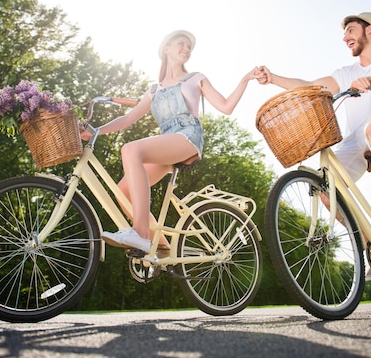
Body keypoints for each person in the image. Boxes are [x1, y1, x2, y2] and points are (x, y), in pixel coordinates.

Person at [256, 12, 371, 279]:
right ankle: (370, 245)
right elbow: (309, 86)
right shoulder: (346, 72)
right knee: (325, 187)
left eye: (351, 30)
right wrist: (274, 79)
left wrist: (370, 82)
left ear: (369, 30)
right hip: (354, 140)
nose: (345, 37)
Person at [81, 30, 258, 253]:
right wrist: (96, 131)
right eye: (181, 44)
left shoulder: (196, 78)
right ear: (167, 49)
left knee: (130, 150)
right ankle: (162, 248)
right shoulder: (154, 90)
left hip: (187, 136)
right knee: (123, 192)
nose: (186, 49)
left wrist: (245, 79)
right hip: (168, 142)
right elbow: (129, 118)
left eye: (189, 47)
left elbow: (226, 106)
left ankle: (140, 233)